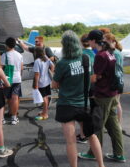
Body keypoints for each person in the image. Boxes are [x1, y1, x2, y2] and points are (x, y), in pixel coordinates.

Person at [52, 30, 105, 167]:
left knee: (70, 141)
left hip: (66, 104)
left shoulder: (62, 63)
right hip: (84, 103)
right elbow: (92, 78)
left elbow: (54, 84)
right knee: (91, 135)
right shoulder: (87, 58)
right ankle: (101, 165)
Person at [78, 29, 126, 163]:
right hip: (112, 93)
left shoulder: (100, 55)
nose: (89, 43)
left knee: (96, 124)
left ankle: (93, 152)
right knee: (113, 125)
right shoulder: (110, 52)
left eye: (89, 40)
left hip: (103, 95)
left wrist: (86, 81)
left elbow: (96, 77)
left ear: (93, 41)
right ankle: (119, 153)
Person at [75, 34, 96, 144]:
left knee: (82, 112)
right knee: (89, 111)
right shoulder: (93, 53)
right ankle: (85, 132)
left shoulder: (81, 54)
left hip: (84, 85)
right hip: (92, 84)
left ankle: (84, 135)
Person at [1, 37, 23, 125]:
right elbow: (21, 68)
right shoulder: (19, 55)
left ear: (6, 45)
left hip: (8, 79)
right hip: (17, 79)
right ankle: (14, 118)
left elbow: (1, 68)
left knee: (4, 98)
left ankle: (2, 118)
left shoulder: (4, 55)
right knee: (15, 98)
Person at [103, 32, 124, 127]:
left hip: (116, 81)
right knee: (115, 103)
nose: (103, 42)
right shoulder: (116, 52)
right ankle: (116, 124)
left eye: (105, 40)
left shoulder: (114, 53)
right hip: (118, 80)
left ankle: (117, 124)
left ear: (111, 41)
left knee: (116, 103)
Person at [32, 47, 54, 120]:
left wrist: (36, 84)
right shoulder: (46, 58)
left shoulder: (37, 61)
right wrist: (49, 72)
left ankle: (45, 114)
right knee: (46, 97)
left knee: (44, 98)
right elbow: (52, 66)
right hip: (47, 81)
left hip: (41, 82)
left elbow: (37, 74)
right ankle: (45, 112)